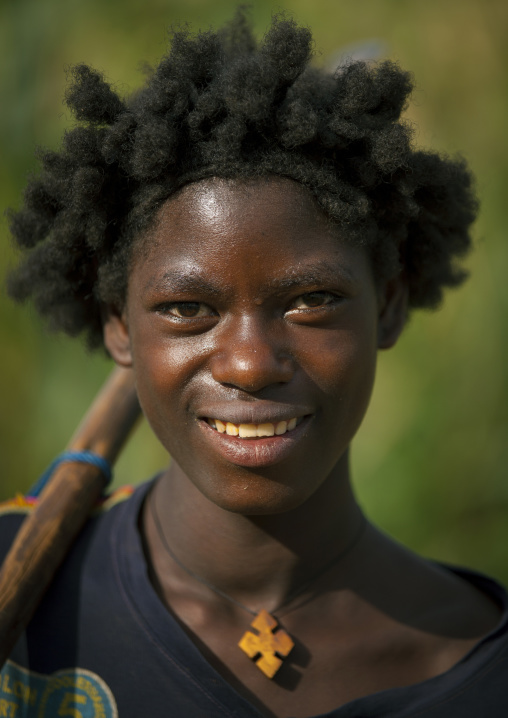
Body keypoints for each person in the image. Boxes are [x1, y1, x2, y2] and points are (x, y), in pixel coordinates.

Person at [1, 9, 506, 718]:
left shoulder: (482, 671)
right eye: (186, 308)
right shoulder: (21, 602)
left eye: (312, 300)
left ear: (387, 306)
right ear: (119, 323)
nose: (248, 364)